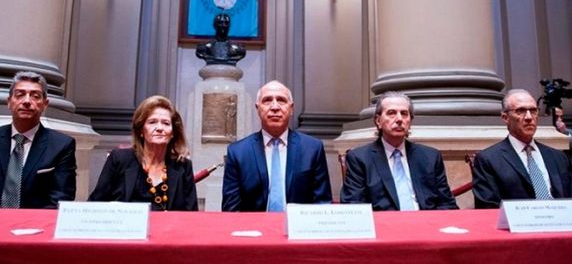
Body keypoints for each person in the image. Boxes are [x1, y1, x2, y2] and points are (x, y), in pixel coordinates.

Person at [0, 71, 76, 208]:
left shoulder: (62, 145)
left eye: (35, 96)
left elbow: (60, 201)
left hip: (33, 226)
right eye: (20, 95)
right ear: (9, 102)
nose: (27, 101)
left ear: (45, 104)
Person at [222, 80, 332, 212]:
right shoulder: (238, 152)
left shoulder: (312, 149)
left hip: (297, 229)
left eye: (281, 100)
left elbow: (322, 204)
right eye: (267, 100)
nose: (275, 107)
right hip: (254, 230)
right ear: (258, 109)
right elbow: (231, 210)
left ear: (291, 109)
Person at [340, 91, 458, 210]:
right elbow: (354, 207)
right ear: (377, 120)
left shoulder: (430, 157)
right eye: (391, 113)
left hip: (426, 223)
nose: (399, 119)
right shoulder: (360, 158)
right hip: (384, 225)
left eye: (404, 113)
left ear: (410, 121)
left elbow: (447, 204)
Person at [89, 95, 198, 211]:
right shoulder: (119, 159)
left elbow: (191, 214)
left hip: (168, 229)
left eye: (166, 123)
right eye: (152, 122)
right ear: (141, 130)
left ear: (173, 133)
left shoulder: (183, 166)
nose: (159, 128)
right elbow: (96, 204)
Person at [472, 89, 572, 209]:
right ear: (505, 117)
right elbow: (488, 209)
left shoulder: (558, 157)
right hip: (516, 225)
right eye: (521, 111)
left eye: (533, 111)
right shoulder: (488, 159)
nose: (529, 117)